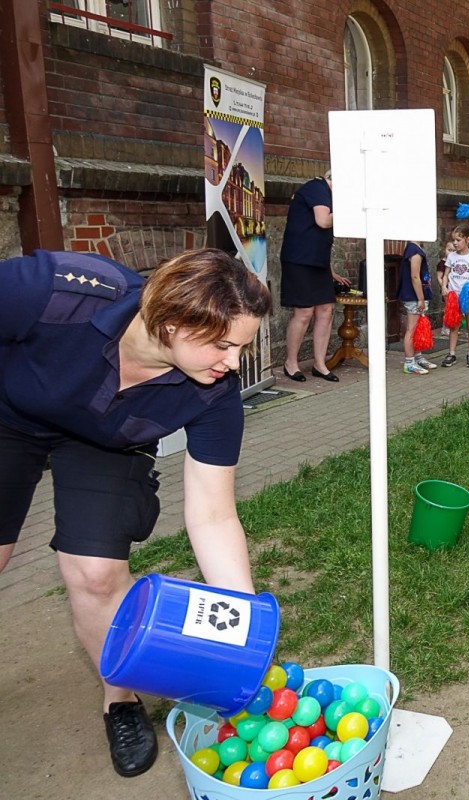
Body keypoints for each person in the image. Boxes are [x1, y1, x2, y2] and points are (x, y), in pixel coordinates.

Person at [0, 248, 272, 778]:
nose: (233, 363)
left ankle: (119, 701)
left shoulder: (215, 395)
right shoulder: (57, 289)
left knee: (98, 575)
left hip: (106, 444)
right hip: (8, 414)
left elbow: (213, 515)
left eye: (241, 346)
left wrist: (242, 621)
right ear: (169, 323)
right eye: (222, 344)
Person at [280, 173, 350, 382]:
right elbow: (323, 221)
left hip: (318, 262)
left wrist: (329, 270)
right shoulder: (317, 188)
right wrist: (349, 210)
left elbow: (318, 237)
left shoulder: (327, 194)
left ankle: (320, 364)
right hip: (299, 260)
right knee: (304, 312)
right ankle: (290, 363)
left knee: (326, 310)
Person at [440, 223, 469, 368]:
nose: (455, 243)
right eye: (454, 240)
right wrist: (444, 287)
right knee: (454, 325)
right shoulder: (451, 256)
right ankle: (451, 353)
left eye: (458, 240)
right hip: (453, 297)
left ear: (468, 239)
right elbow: (446, 274)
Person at [396, 239, 439, 375]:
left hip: (417, 295)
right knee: (412, 329)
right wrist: (420, 298)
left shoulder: (415, 249)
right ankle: (409, 362)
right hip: (414, 296)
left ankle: (418, 357)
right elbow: (415, 276)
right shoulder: (414, 251)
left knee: (417, 328)